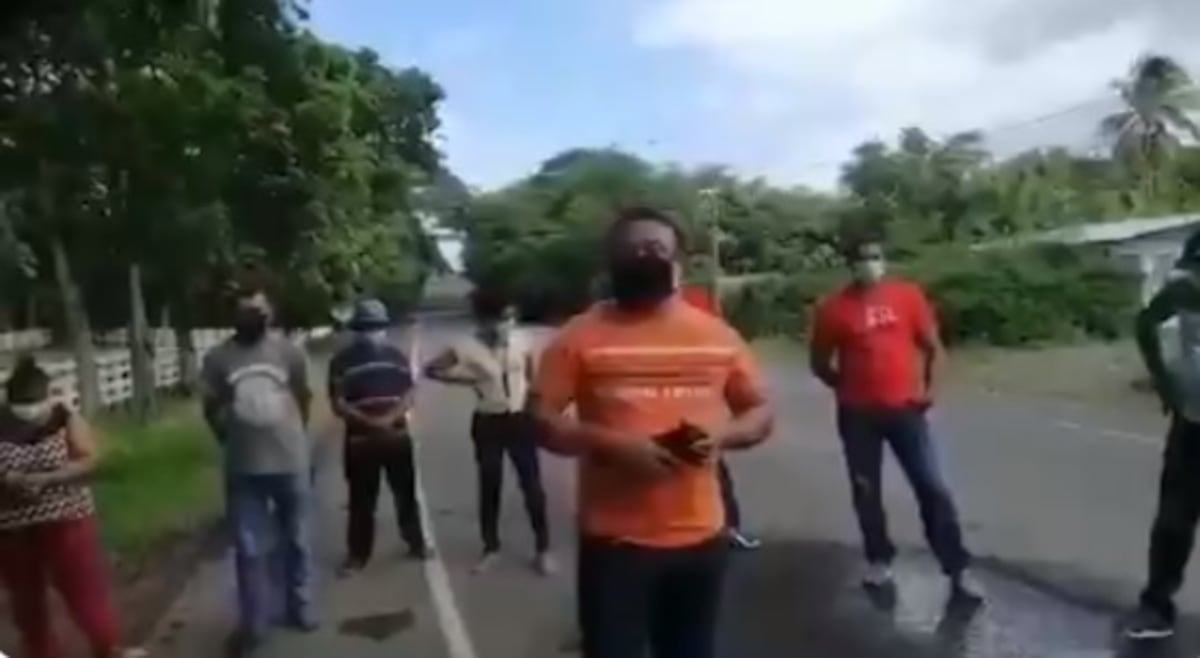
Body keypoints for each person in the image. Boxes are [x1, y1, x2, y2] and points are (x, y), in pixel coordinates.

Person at [531, 206, 774, 658]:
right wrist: (612, 444)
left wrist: (720, 436)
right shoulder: (578, 336)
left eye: (655, 248)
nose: (642, 257)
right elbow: (541, 420)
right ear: (609, 263)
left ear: (678, 262)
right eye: (630, 250)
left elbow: (759, 412)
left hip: (701, 539)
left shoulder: (716, 336)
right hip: (615, 544)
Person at [809, 235, 983, 604]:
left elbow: (933, 348)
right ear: (851, 265)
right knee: (866, 490)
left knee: (931, 486)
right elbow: (820, 362)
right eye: (862, 258)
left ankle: (957, 567)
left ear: (883, 260)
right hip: (858, 414)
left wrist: (930, 390)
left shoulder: (907, 297)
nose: (869, 263)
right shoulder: (834, 309)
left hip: (906, 410)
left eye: (875, 256)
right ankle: (879, 559)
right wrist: (846, 384)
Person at [0, 356, 146, 658]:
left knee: (84, 589)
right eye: (22, 406)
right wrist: (8, 480)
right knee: (27, 602)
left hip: (67, 519)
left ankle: (107, 647)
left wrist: (50, 478)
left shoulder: (65, 418)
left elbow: (90, 459)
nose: (29, 413)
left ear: (47, 397)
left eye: (33, 405)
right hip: (12, 528)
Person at [201, 284, 316, 654]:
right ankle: (254, 622)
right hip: (243, 468)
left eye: (259, 310)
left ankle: (300, 606)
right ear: (233, 316)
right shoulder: (218, 358)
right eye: (245, 311)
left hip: (289, 462)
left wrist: (294, 436)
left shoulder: (290, 352)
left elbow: (303, 397)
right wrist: (229, 438)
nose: (253, 317)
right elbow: (211, 406)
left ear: (271, 313)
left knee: (295, 540)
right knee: (248, 549)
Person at [424, 289, 554, 575]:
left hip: (520, 419)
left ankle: (543, 549)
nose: (505, 324)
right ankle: (491, 547)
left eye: (509, 318)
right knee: (489, 484)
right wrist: (465, 378)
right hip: (488, 421)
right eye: (500, 319)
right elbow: (430, 370)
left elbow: (532, 377)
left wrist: (537, 411)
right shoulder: (465, 347)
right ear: (484, 320)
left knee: (532, 486)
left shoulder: (521, 340)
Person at [1124, 229, 1200, 640]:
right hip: (1193, 420)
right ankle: (1155, 605)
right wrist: (1163, 382)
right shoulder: (1185, 288)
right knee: (1173, 520)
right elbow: (1146, 322)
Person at [328, 298, 427, 576]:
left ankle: (416, 542)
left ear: (384, 328)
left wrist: (390, 417)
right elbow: (338, 402)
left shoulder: (396, 357)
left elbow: (409, 393)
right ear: (357, 330)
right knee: (361, 501)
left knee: (405, 495)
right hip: (361, 441)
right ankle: (358, 554)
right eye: (366, 328)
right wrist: (372, 421)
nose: (371, 333)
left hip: (394, 437)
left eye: (375, 327)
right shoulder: (341, 361)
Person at [680, 284, 762, 551]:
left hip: (697, 391)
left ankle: (729, 528)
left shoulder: (700, 299)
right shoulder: (646, 303)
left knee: (712, 465)